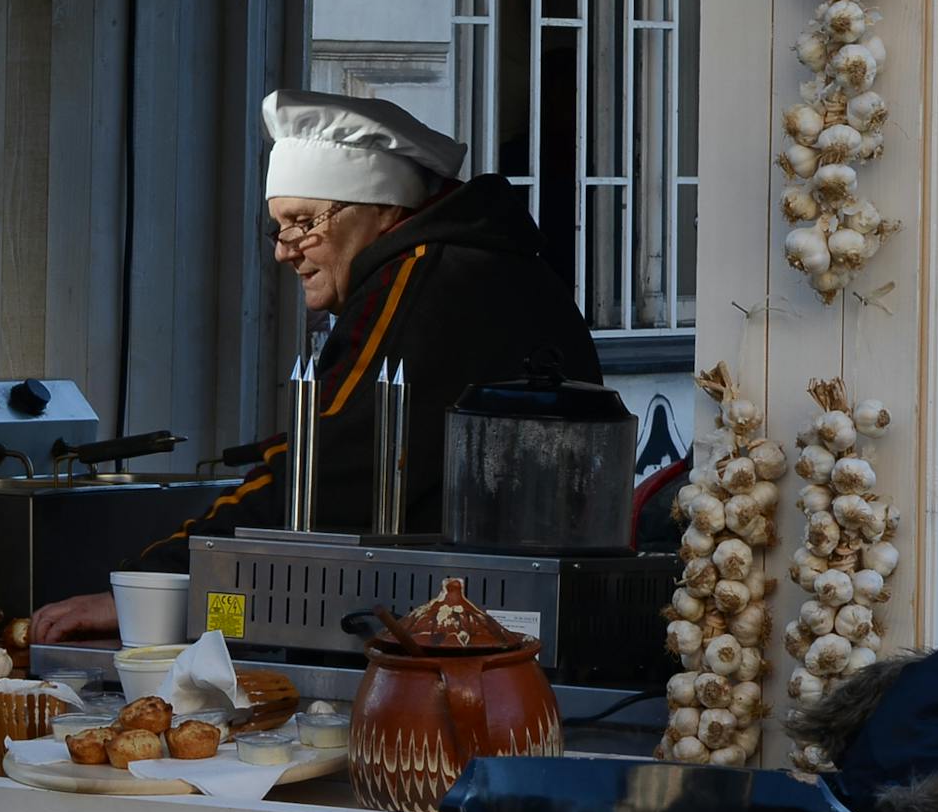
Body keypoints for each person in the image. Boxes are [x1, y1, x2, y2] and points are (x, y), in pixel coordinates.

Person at [32, 89, 600, 644]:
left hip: (457, 626)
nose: (285, 250)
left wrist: (153, 581)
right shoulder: (487, 266)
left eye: (304, 221)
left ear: (380, 210)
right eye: (279, 228)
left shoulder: (415, 282)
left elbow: (327, 467)